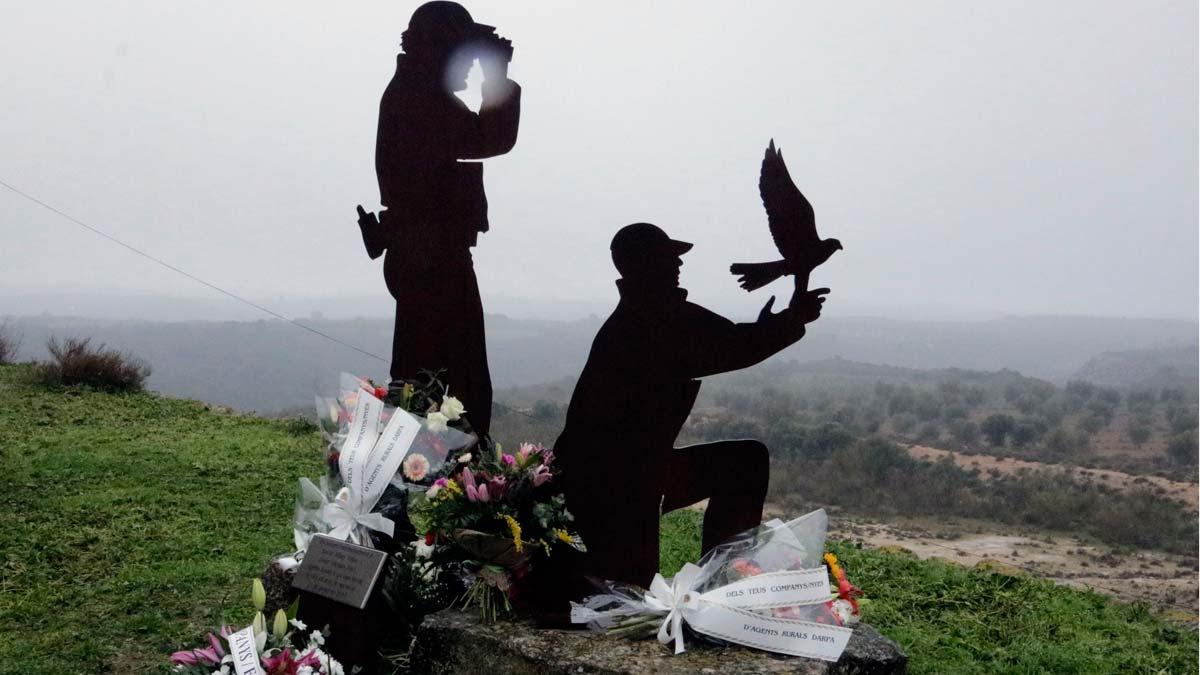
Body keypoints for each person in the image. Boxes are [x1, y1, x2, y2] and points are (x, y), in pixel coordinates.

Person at [555, 223, 828, 588]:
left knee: (743, 462)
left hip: (623, 472)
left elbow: (728, 339)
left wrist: (781, 322)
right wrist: (793, 319)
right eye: (670, 258)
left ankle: (724, 579)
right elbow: (734, 345)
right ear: (648, 264)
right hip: (615, 484)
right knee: (627, 588)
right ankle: (725, 584)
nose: (679, 265)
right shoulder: (655, 318)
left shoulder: (644, 315)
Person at [357, 1, 520, 437]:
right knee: (444, 382)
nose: (468, 65)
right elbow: (490, 138)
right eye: (463, 54)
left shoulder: (417, 91)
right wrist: (498, 78)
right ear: (441, 50)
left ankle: (411, 484)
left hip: (426, 253)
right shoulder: (419, 97)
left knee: (430, 380)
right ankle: (442, 485)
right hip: (430, 257)